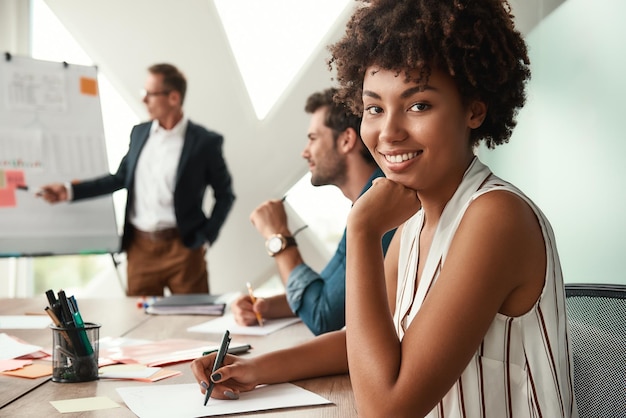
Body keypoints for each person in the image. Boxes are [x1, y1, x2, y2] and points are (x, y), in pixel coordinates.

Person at [191, 1, 578, 417]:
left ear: (474, 109)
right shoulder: (415, 219)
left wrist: (361, 230)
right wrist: (251, 368)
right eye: (374, 108)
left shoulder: (496, 217)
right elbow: (359, 345)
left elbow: (385, 409)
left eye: (418, 105)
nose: (389, 132)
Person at [39, 63, 235, 297]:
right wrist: (69, 191)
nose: (144, 100)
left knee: (191, 320)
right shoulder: (139, 133)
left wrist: (205, 238)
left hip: (183, 249)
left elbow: (225, 194)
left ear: (173, 97)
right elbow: (120, 178)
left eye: (150, 94)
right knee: (138, 322)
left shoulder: (205, 142)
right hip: (140, 248)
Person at [232, 88, 395, 335]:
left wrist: (279, 238)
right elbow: (327, 288)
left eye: (313, 138)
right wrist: (264, 307)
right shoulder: (366, 200)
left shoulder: (383, 207)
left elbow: (323, 316)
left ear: (346, 140)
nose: (304, 151)